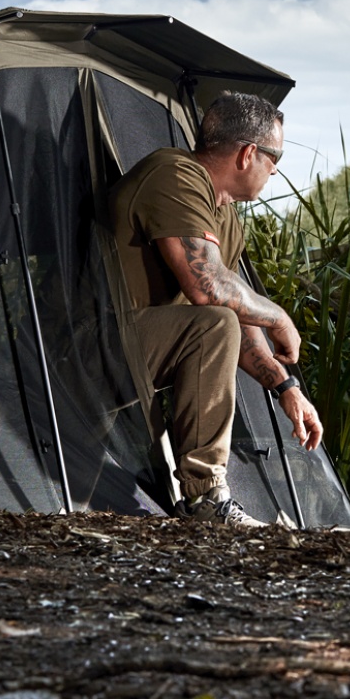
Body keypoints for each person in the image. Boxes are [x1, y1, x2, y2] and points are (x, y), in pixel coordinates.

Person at [109, 92, 324, 526]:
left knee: (219, 321)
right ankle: (206, 498)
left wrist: (287, 387)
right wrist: (281, 316)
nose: (276, 169)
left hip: (135, 352)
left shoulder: (224, 215)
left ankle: (204, 499)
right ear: (248, 154)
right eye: (274, 157)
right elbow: (208, 287)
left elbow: (234, 314)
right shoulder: (175, 174)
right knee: (215, 320)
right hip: (86, 347)